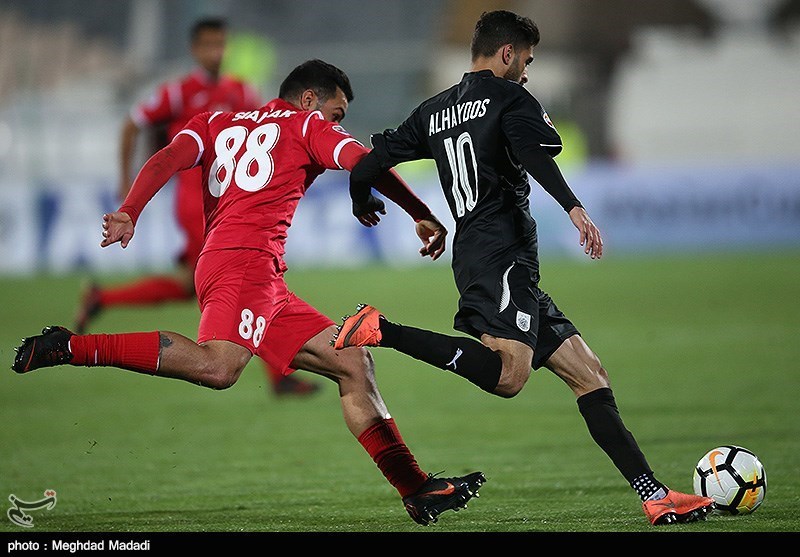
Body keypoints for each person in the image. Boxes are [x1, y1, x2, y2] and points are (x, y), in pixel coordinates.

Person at [13, 59, 485, 526]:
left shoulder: (215, 122)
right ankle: (71, 347)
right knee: (219, 367)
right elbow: (365, 161)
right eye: (336, 113)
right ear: (309, 99)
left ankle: (416, 489)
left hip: (246, 269)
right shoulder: (306, 126)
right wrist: (420, 212)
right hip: (245, 265)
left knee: (352, 361)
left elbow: (167, 158)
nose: (336, 123)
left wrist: (130, 210)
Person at [333, 10, 715, 526]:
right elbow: (537, 156)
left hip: (488, 256)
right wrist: (573, 207)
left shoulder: (433, 110)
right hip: (502, 256)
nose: (528, 72)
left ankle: (655, 495)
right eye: (527, 60)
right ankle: (382, 329)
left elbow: (368, 163)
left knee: (589, 374)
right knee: (508, 377)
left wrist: (363, 201)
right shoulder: (510, 99)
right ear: (507, 53)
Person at [75, 17, 318, 396]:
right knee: (247, 281)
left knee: (198, 284)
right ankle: (278, 377)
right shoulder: (179, 93)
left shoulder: (241, 91)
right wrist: (126, 183)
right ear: (195, 49)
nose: (216, 53)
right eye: (208, 45)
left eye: (221, 44)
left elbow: (270, 131)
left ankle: (102, 298)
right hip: (196, 204)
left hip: (231, 203)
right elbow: (132, 125)